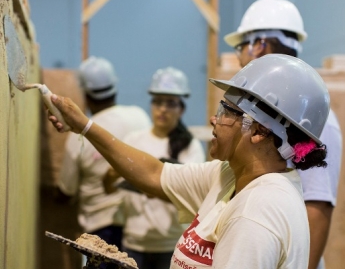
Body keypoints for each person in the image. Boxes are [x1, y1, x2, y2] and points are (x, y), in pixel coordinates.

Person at [48, 54, 330, 268]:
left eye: (227, 111)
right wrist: (84, 126)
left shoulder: (256, 215)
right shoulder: (229, 176)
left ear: (258, 131)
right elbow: (155, 173)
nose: (214, 119)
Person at [223, 0, 343, 269]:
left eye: (241, 46)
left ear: (259, 45)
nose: (240, 56)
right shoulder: (265, 111)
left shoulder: (312, 118)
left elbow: (317, 207)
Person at [105, 67, 205, 269]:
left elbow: (193, 199)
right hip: (133, 241)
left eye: (171, 103)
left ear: (181, 109)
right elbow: (108, 188)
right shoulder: (134, 141)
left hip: (171, 245)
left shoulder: (190, 147)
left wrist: (156, 189)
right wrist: (110, 174)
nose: (163, 109)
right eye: (158, 101)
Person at [55, 56, 151, 258]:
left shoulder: (78, 136)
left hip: (100, 230)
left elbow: (67, 190)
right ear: (114, 86)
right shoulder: (139, 117)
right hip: (138, 225)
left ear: (85, 94)